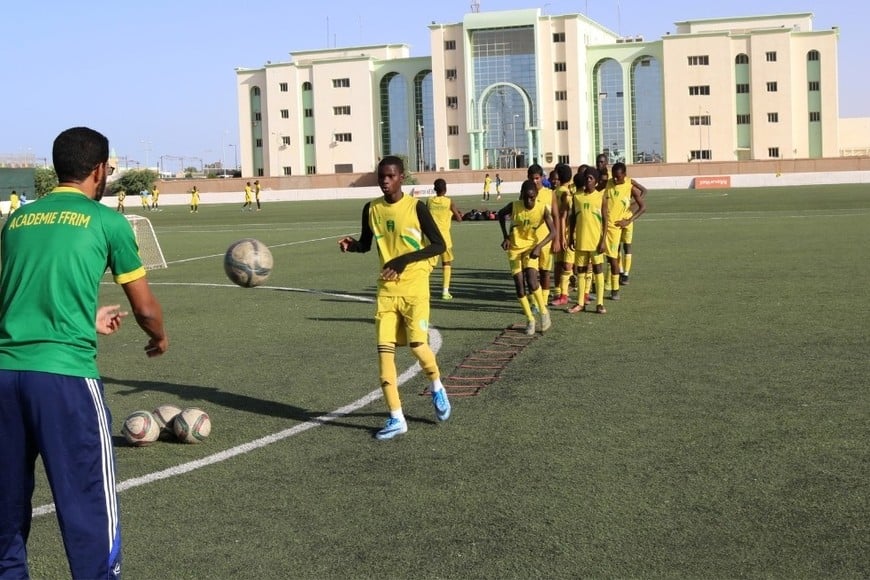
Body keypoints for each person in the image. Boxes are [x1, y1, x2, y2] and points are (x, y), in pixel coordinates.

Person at [0, 126, 168, 579]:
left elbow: (18, 298)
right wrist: (159, 337)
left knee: (5, 509)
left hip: (5, 376)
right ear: (98, 170)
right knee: (88, 503)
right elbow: (145, 308)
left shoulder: (18, 220)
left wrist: (83, 319)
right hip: (66, 379)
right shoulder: (106, 221)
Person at [338, 156, 451, 440]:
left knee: (418, 347)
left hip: (415, 288)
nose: (385, 181)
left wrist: (403, 260)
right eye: (381, 176)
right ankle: (396, 417)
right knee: (384, 353)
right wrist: (353, 245)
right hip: (387, 291)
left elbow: (439, 245)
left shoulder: (416, 207)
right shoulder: (371, 209)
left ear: (402, 177)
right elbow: (367, 244)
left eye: (390, 176)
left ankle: (437, 385)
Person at [497, 179, 555, 336]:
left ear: (536, 195)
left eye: (532, 198)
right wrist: (506, 236)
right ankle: (530, 319)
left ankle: (544, 312)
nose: (529, 201)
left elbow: (553, 232)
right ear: (522, 195)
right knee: (519, 285)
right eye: (526, 198)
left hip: (531, 248)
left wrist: (539, 247)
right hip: (515, 248)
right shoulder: (514, 206)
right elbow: (500, 214)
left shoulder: (542, 209)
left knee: (531, 280)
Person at [568, 167, 609, 314]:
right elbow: (573, 218)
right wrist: (570, 237)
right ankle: (580, 303)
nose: (588, 180)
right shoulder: (577, 197)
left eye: (591, 178)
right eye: (586, 178)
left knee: (598, 270)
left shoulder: (600, 197)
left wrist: (603, 240)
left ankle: (600, 303)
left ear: (596, 181)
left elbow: (605, 220)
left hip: (596, 242)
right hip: (580, 240)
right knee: (581, 271)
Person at [603, 161, 646, 300]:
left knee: (616, 255)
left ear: (624, 175)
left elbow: (643, 207)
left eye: (618, 177)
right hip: (606, 227)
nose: (615, 179)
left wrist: (628, 220)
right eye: (614, 176)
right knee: (609, 257)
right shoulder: (608, 184)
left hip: (619, 225)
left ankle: (615, 287)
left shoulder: (629, 186)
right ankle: (605, 285)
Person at [527, 164, 562, 305]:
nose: (534, 181)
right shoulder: (526, 193)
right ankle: (535, 302)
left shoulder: (549, 193)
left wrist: (557, 239)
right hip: (529, 240)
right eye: (532, 178)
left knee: (545, 272)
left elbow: (556, 216)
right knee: (531, 273)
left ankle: (544, 301)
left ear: (542, 177)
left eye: (537, 178)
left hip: (546, 239)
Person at [426, 178, 463, 300]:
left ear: (434, 189)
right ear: (445, 189)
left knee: (429, 265)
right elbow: (459, 219)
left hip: (432, 238)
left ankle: (422, 288)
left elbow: (427, 216)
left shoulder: (429, 201)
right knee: (446, 263)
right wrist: (456, 214)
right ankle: (445, 292)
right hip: (445, 238)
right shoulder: (449, 202)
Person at [618, 167, 649, 285]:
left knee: (627, 246)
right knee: (616, 247)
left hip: (627, 219)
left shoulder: (630, 182)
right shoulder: (613, 183)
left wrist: (636, 202)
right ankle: (620, 271)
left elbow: (644, 191)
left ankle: (626, 274)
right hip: (617, 219)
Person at [551, 163, 576, 306]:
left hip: (559, 233)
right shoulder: (565, 193)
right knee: (566, 264)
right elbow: (563, 216)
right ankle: (563, 294)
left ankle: (560, 293)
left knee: (559, 264)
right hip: (566, 233)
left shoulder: (557, 192)